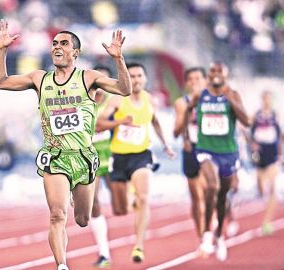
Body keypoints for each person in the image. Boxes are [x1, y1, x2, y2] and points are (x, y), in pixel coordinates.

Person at [0, 19, 132, 270]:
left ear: (75, 52)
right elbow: (0, 82)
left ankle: (77, 197)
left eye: (64, 43)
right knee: (57, 215)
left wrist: (118, 59)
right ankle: (62, 265)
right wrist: (2, 50)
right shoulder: (40, 79)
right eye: (54, 43)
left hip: (84, 156)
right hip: (55, 156)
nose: (57, 47)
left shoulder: (88, 78)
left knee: (83, 219)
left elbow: (124, 89)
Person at [96, 62, 175, 263]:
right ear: (125, 79)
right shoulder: (117, 100)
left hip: (141, 155)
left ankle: (138, 246)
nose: (136, 80)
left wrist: (165, 144)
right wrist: (120, 122)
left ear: (145, 78)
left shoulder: (152, 101)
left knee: (144, 198)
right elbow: (98, 125)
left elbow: (155, 121)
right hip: (119, 157)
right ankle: (129, 199)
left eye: (139, 76)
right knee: (120, 209)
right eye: (131, 76)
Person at [188, 61, 250, 261]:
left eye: (219, 72)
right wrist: (186, 138)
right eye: (212, 71)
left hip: (228, 153)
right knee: (212, 187)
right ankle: (207, 235)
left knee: (222, 197)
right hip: (206, 150)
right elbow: (187, 112)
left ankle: (219, 236)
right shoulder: (201, 95)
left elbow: (246, 121)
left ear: (226, 75)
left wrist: (231, 101)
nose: (215, 74)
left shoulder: (233, 94)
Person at [173, 67, 207, 245]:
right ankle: (202, 233)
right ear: (186, 84)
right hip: (191, 150)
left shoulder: (214, 100)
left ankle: (210, 228)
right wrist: (188, 111)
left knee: (209, 191)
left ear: (206, 80)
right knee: (197, 197)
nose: (195, 82)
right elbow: (176, 132)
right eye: (191, 79)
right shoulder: (181, 102)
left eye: (198, 78)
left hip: (210, 150)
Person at [89, 65, 113, 268]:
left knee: (123, 204)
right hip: (92, 157)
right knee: (93, 202)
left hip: (113, 155)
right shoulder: (80, 102)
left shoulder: (115, 102)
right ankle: (103, 252)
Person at [249, 90, 282, 235]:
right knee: (261, 187)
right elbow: (247, 132)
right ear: (262, 100)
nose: (267, 101)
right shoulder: (256, 115)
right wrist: (252, 144)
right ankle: (262, 196)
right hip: (259, 154)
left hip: (272, 154)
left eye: (269, 99)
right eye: (265, 99)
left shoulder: (276, 116)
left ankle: (267, 222)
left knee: (272, 187)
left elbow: (281, 136)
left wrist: (281, 154)